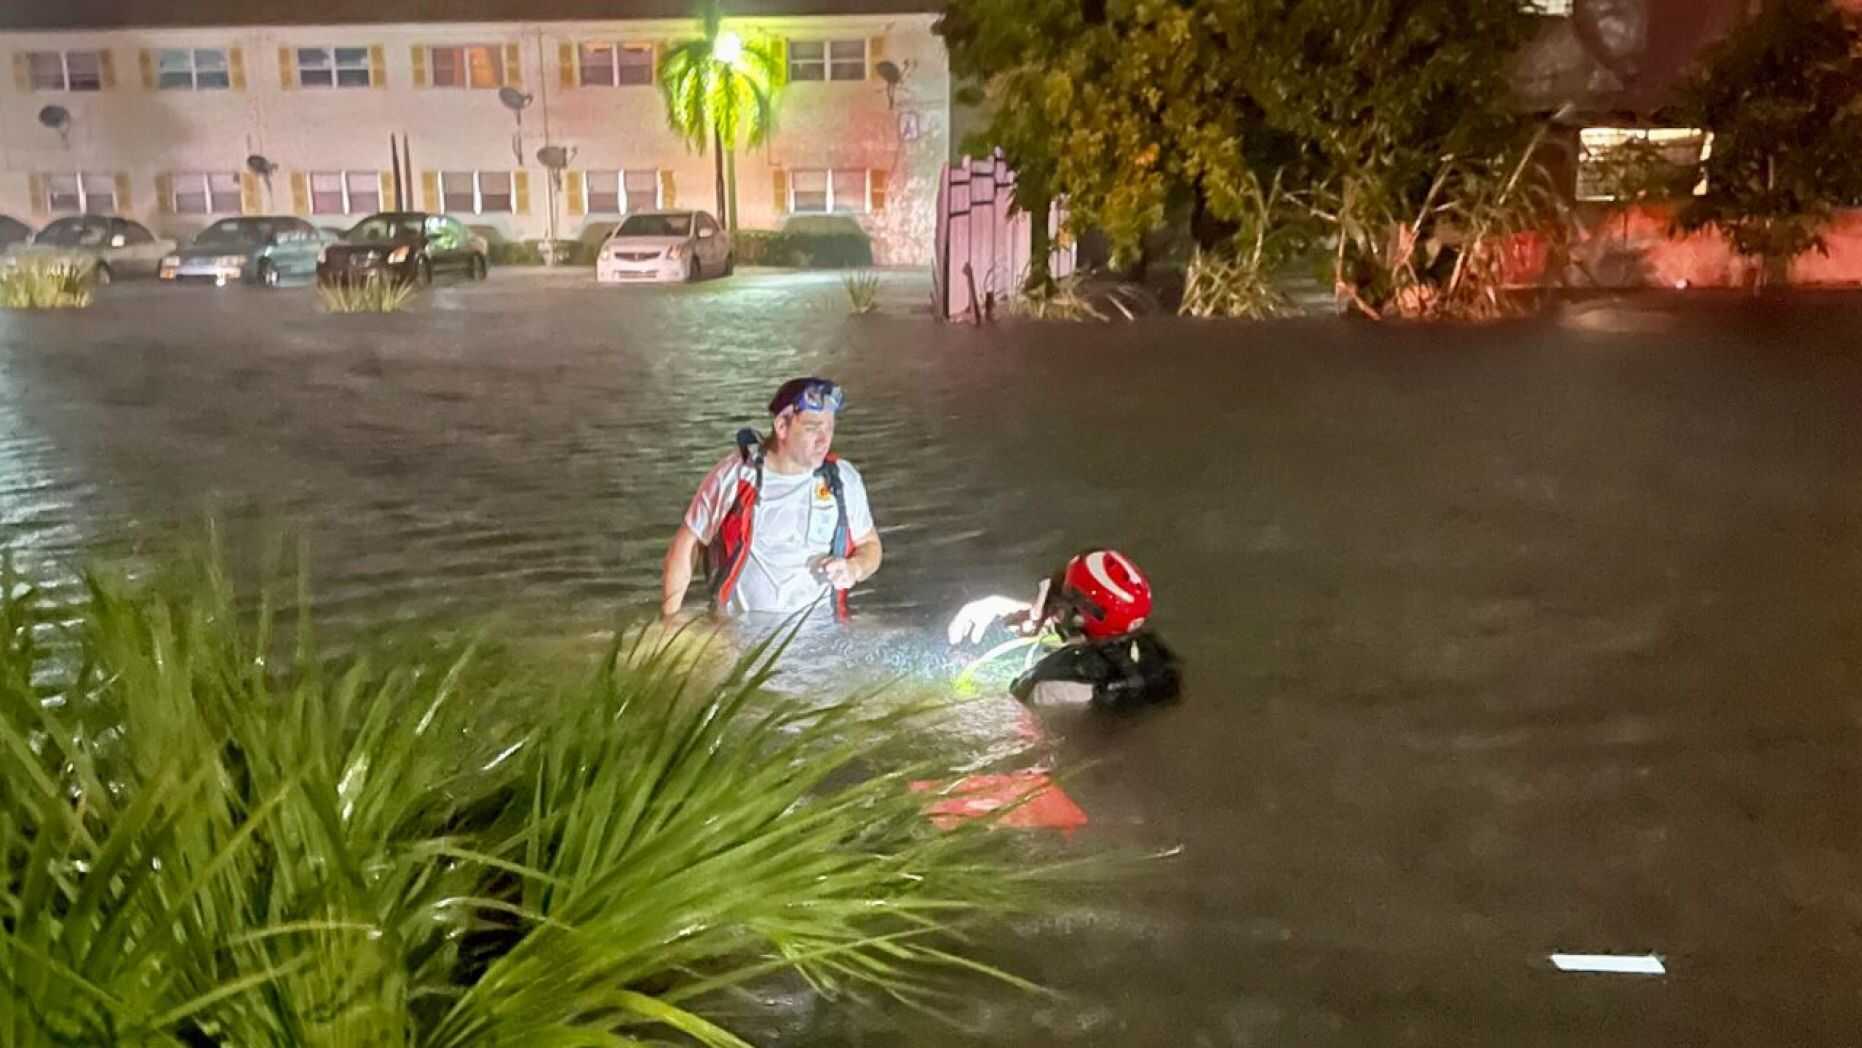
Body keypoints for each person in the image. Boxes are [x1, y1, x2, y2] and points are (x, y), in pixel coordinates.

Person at [661, 377, 882, 620]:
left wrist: (855, 568)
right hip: (740, 636)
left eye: (829, 428)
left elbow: (870, 545)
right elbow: (686, 545)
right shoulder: (734, 475)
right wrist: (669, 622)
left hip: (822, 634)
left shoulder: (842, 478)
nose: (824, 439)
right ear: (782, 427)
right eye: (812, 428)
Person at [948, 549, 1182, 711]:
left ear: (1079, 617)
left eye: (1063, 596)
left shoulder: (1050, 686)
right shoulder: (1151, 655)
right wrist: (1028, 612)